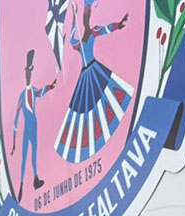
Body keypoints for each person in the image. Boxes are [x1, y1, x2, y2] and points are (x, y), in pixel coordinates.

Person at [54, 0, 130, 164]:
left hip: (95, 70)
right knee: (83, 111)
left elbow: (107, 29)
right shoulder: (78, 41)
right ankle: (91, 143)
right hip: (86, 74)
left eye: (87, 15)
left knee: (106, 101)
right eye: (85, 16)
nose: (86, 19)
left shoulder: (94, 32)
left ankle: (108, 133)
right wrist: (73, 21)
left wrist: (120, 24)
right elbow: (72, 39)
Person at [10, 49, 56, 202]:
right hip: (27, 126)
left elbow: (42, 91)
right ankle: (22, 184)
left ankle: (35, 179)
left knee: (34, 152)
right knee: (24, 155)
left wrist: (51, 86)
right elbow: (16, 118)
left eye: (30, 71)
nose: (28, 75)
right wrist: (14, 142)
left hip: (34, 123)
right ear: (25, 75)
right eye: (27, 72)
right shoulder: (22, 95)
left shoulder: (34, 91)